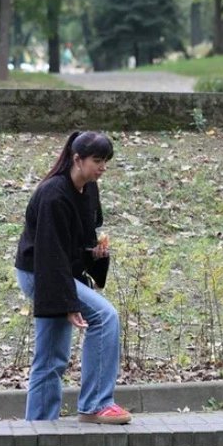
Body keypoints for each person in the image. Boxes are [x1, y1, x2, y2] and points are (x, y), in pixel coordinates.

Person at [14, 130, 130, 424]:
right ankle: (95, 405)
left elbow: (78, 239)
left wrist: (95, 254)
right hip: (40, 272)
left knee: (51, 358)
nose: (102, 167)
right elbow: (50, 253)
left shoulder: (89, 188)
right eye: (97, 160)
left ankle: (38, 428)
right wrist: (67, 302)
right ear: (77, 159)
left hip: (58, 270)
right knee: (105, 317)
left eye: (106, 161)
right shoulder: (54, 193)